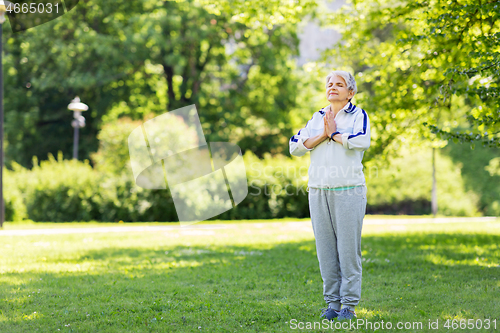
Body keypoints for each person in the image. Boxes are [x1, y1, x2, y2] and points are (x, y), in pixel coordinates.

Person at [289, 70, 370, 321]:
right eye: (329, 84)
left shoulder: (359, 115)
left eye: (339, 84)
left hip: (348, 190)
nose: (332, 88)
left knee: (348, 251)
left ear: (350, 92)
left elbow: (362, 140)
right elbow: (295, 145)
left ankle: (348, 306)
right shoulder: (317, 117)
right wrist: (323, 134)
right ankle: (332, 305)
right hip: (318, 191)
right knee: (325, 251)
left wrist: (335, 135)